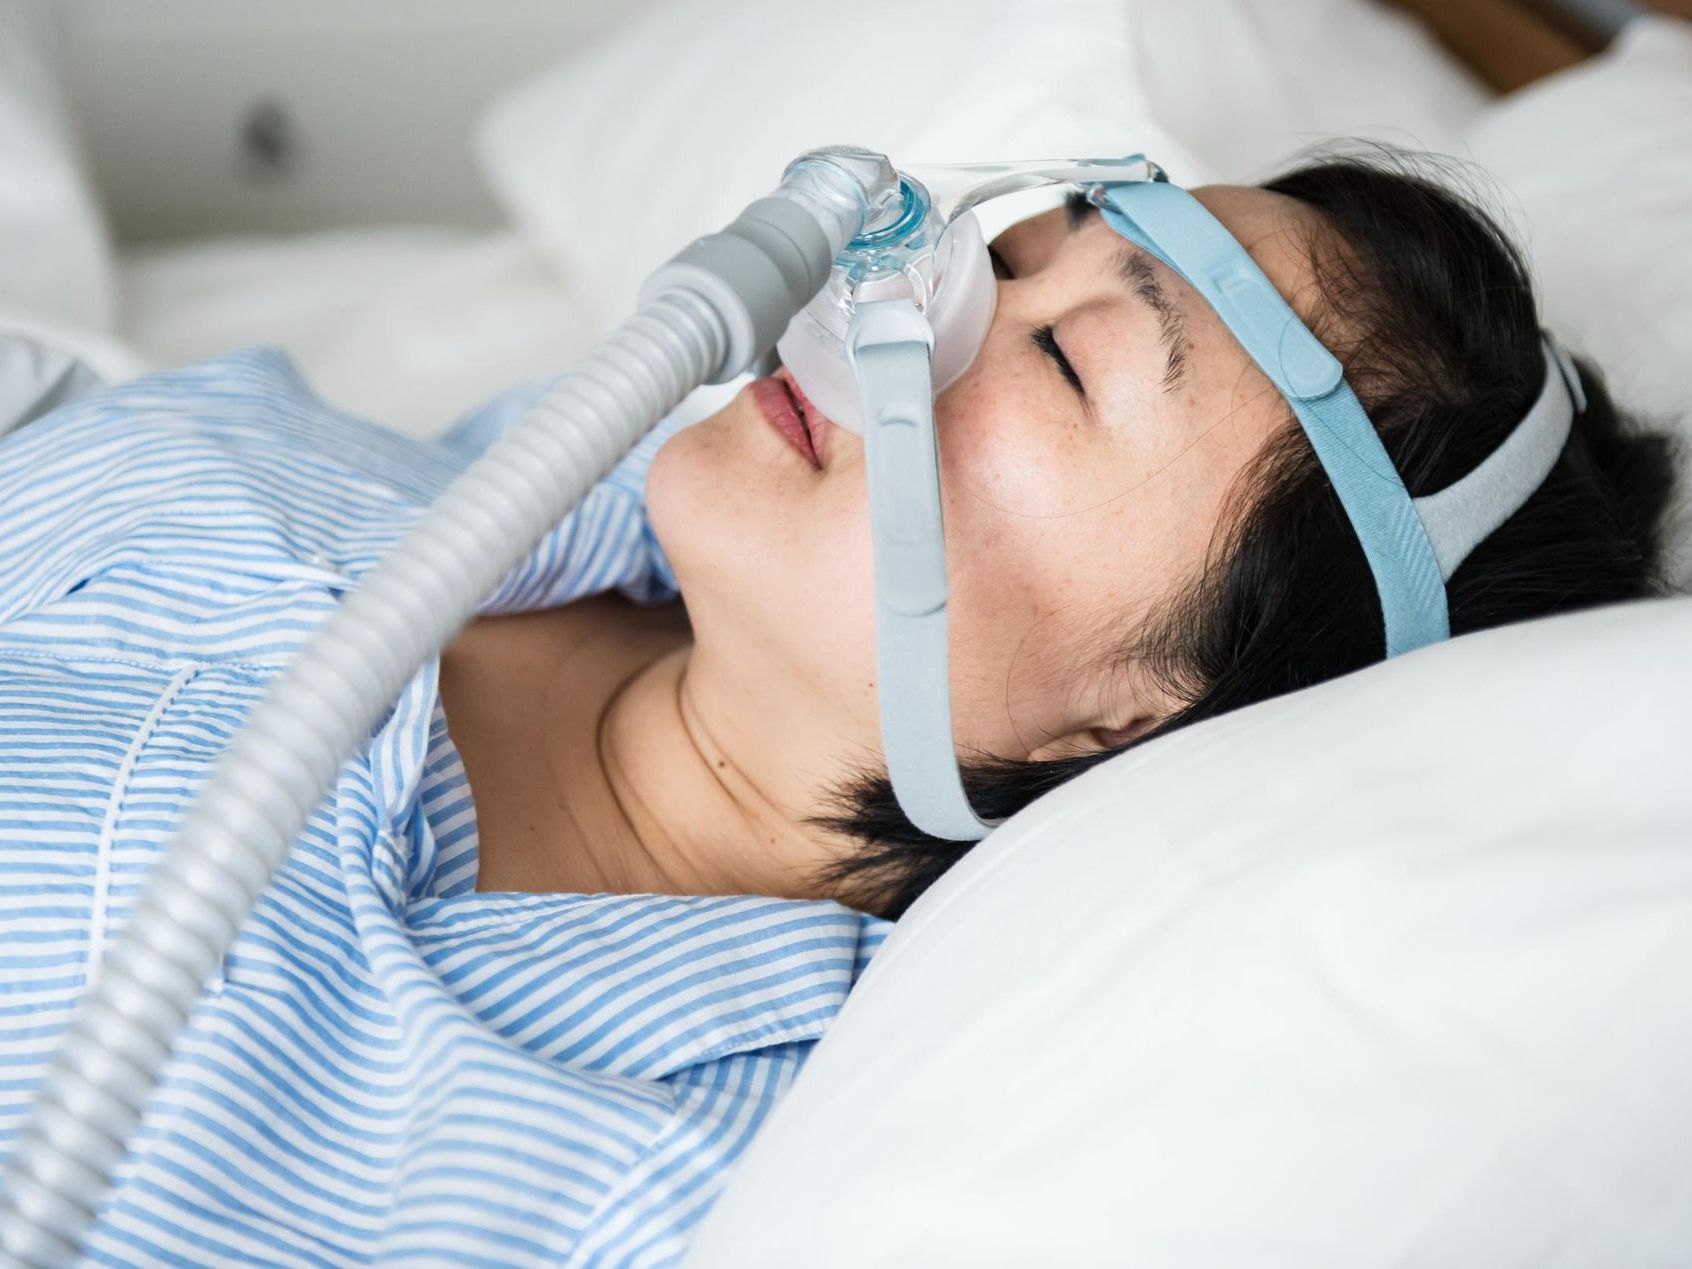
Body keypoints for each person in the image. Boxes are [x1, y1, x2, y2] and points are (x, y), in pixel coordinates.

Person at [0, 148, 1675, 1265]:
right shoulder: (486, 489)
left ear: (1146, 723)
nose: (916, 307)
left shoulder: (634, 1166)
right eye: (1013, 255)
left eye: (1066, 361)